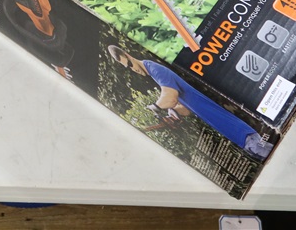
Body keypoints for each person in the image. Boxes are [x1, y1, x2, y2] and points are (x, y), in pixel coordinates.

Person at [108, 45, 273, 160]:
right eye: (127, 68)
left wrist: (155, 106)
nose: (133, 69)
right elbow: (184, 108)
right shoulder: (155, 76)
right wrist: (174, 112)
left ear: (129, 55)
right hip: (241, 140)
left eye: (130, 64)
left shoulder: (154, 69)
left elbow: (169, 97)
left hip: (246, 137)